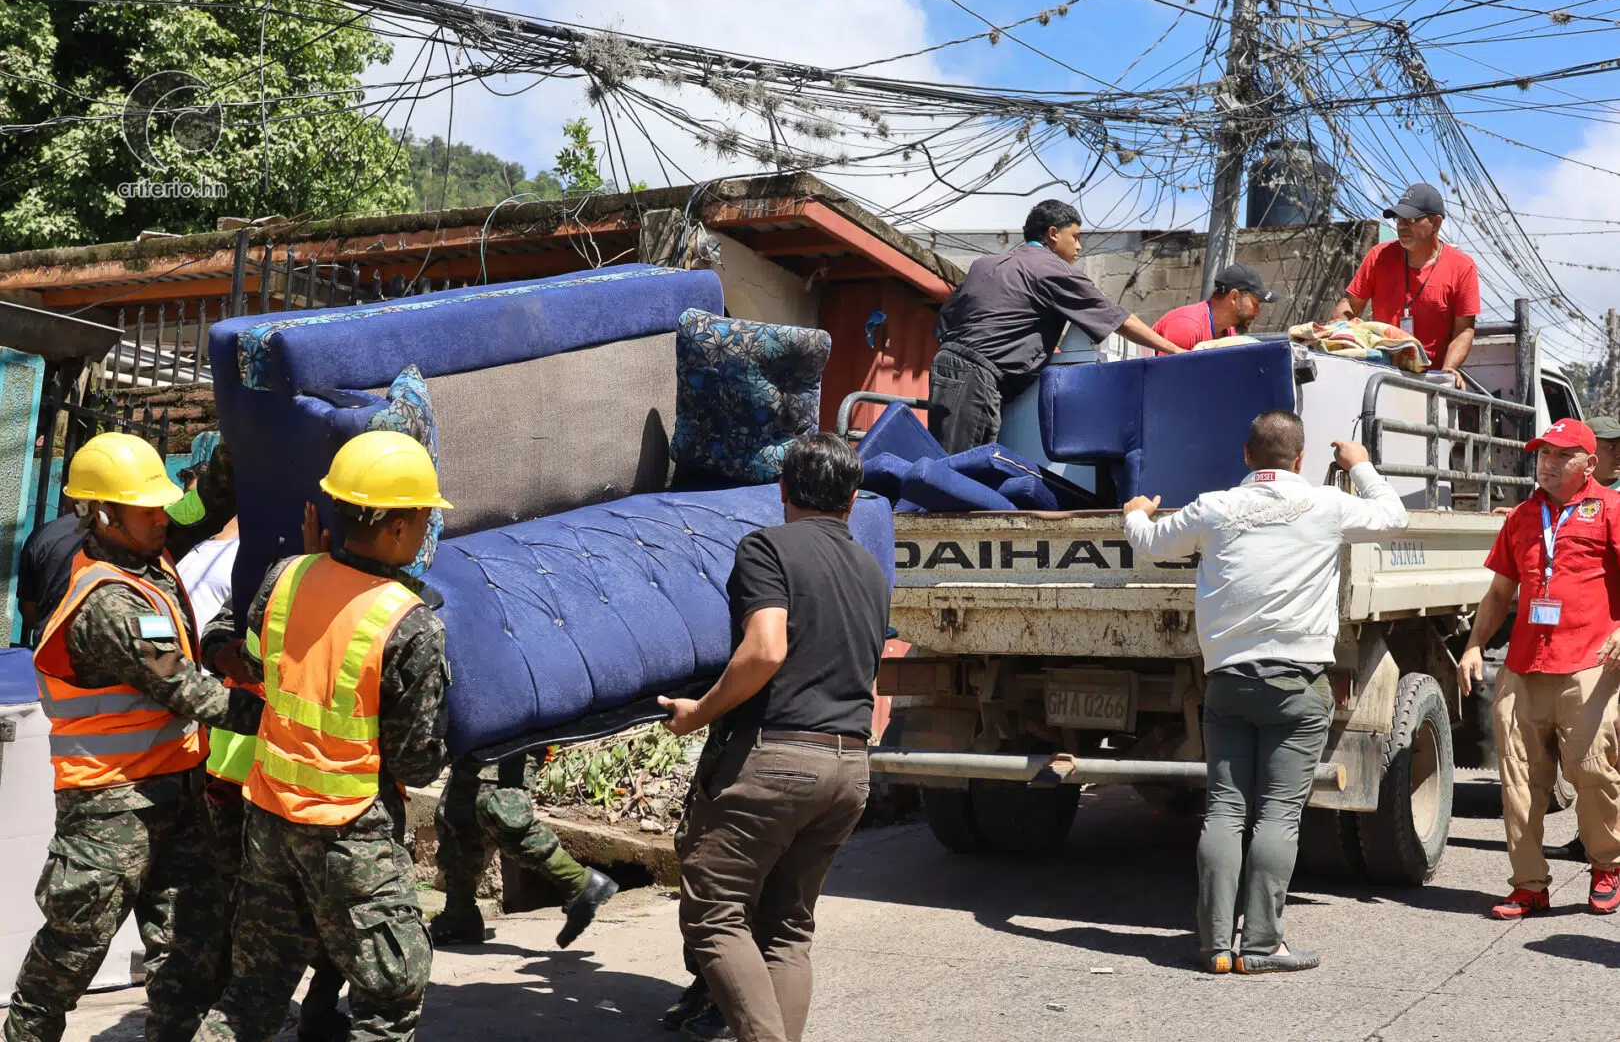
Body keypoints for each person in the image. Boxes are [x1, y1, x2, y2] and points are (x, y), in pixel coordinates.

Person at [1123, 411, 1408, 974]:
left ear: (1247, 457)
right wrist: (1362, 466)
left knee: (1224, 810)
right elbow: (1393, 518)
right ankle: (1261, 945)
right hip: (1298, 688)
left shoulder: (1214, 507)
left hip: (1228, 683)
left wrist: (1136, 513)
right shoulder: (1327, 504)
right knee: (1279, 814)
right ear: (1300, 461)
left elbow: (1150, 545)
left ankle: (1214, 945)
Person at [191, 431, 454, 1042]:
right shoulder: (411, 625)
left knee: (250, 995)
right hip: (349, 830)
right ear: (394, 528)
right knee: (390, 994)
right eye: (422, 520)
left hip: (270, 815)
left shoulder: (286, 576)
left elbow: (255, 663)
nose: (424, 534)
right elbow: (415, 763)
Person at [4, 433, 265, 1042]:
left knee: (190, 950)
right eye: (146, 507)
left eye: (160, 505)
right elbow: (190, 692)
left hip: (176, 794)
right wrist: (289, 717)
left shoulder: (147, 552)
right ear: (102, 514)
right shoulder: (111, 603)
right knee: (71, 952)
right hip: (108, 811)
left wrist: (244, 428)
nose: (161, 515)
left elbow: (208, 501)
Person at [659, 434, 891, 1042]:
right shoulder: (871, 569)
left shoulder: (767, 548)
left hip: (778, 762)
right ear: (853, 498)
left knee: (715, 915)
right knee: (787, 928)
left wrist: (698, 713)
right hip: (849, 768)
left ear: (783, 490)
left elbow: (765, 649)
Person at [179, 513, 352, 1042]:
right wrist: (238, 658)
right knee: (240, 914)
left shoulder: (372, 597)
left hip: (316, 784)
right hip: (238, 778)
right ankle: (229, 1009)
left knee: (333, 912)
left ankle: (320, 1009)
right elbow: (213, 634)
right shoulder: (273, 580)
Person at [1458, 418, 1620, 920]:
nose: (1546, 464)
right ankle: (1529, 885)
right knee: (1520, 780)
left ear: (1588, 464)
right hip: (1524, 665)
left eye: (1560, 456)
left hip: (1590, 662)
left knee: (1592, 770)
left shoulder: (1611, 509)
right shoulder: (1523, 517)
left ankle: (1606, 866)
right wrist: (1472, 647)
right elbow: (1500, 592)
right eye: (1542, 454)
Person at [928, 199, 1184, 454]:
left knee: (945, 463)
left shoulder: (984, 264)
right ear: (1052, 234)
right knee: (958, 474)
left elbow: (946, 324)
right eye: (1074, 236)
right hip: (978, 379)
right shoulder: (1054, 271)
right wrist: (1174, 350)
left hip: (945, 367)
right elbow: (1119, 320)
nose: (1079, 246)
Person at [427, 751, 620, 949]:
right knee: (456, 814)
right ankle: (460, 912)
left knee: (501, 812)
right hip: (481, 736)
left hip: (508, 736)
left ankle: (579, 881)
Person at [1331, 182, 1480, 387]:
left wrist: (1448, 370)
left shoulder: (1462, 267)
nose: (1402, 225)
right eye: (1399, 218)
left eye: (1411, 219)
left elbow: (1464, 330)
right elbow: (1349, 304)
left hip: (1431, 382)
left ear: (1436, 223)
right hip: (1380, 376)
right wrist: (1338, 327)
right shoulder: (1379, 256)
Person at [1152, 264, 1277, 352]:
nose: (1257, 312)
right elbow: (1166, 382)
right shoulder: (1187, 326)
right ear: (1234, 297)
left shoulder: (1228, 331)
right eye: (1255, 304)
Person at [15, 512, 86, 647]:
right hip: (99, 656)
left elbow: (28, 610)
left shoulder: (44, 534)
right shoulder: (122, 537)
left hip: (48, 651)